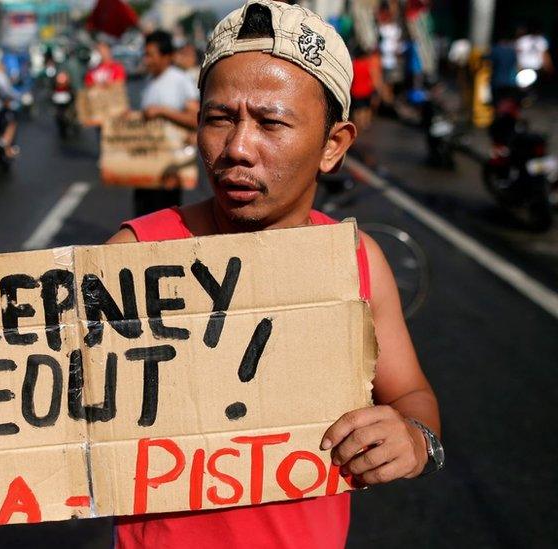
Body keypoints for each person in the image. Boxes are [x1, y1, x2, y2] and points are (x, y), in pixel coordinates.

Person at [108, 1, 442, 547]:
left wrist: (416, 439)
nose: (238, 148)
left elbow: (412, 394)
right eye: (219, 119)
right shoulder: (134, 254)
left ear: (333, 145)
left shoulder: (357, 263)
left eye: (271, 122)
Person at [134, 29, 200, 217]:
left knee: (163, 221)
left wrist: (163, 111)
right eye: (145, 54)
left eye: (150, 55)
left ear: (167, 56)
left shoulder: (180, 81)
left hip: (168, 170)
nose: (146, 60)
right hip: (147, 167)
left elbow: (196, 118)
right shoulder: (149, 81)